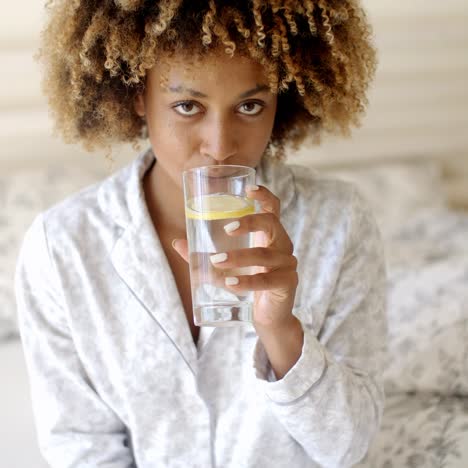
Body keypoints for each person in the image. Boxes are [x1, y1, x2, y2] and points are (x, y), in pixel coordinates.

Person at [15, 1, 387, 467]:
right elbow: (79, 445)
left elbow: (348, 449)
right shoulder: (62, 247)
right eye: (187, 106)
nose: (221, 145)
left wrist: (282, 332)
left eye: (250, 106)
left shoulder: (340, 222)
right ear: (136, 95)